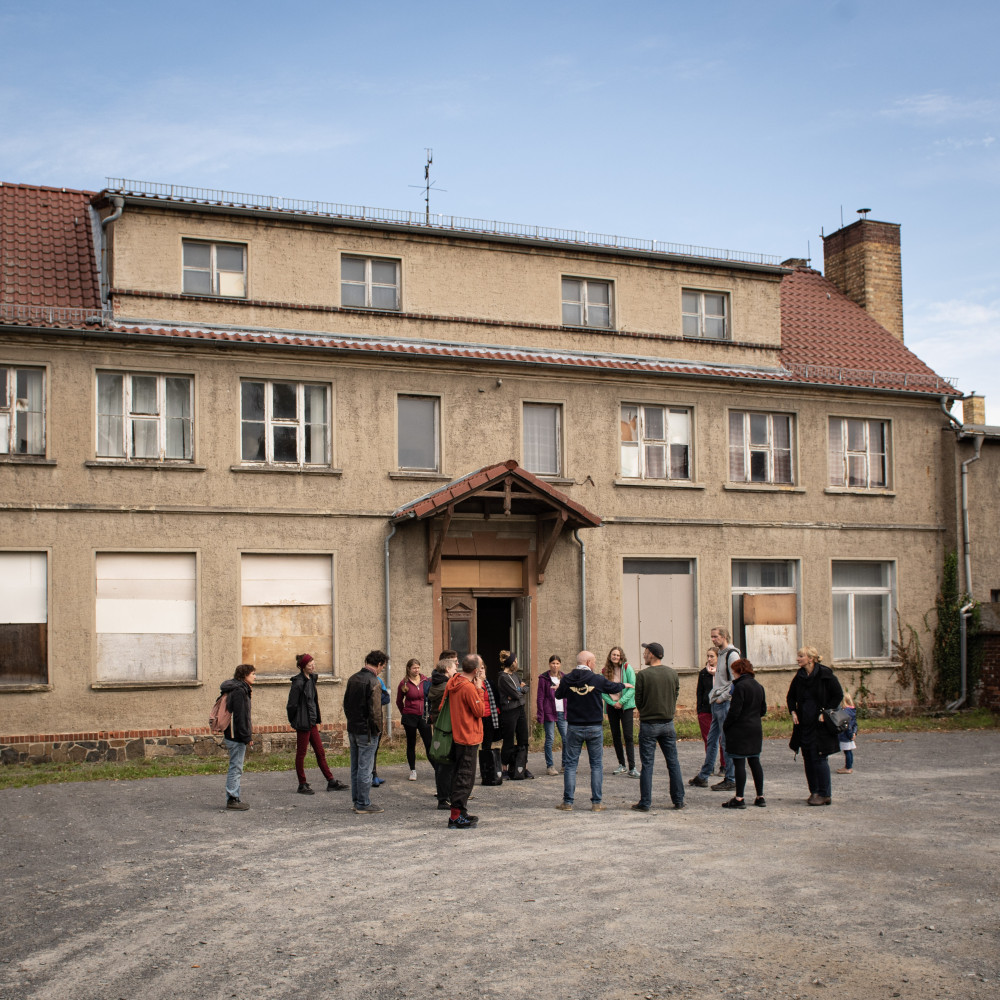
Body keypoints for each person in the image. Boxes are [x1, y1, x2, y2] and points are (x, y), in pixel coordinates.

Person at [554, 650, 626, 812]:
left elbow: (558, 695)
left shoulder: (567, 679)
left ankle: (568, 802)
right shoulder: (597, 679)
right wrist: (624, 685)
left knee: (571, 765)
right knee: (596, 765)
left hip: (574, 727)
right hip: (594, 727)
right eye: (593, 661)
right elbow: (612, 687)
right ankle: (596, 803)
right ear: (588, 663)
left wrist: (563, 687)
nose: (595, 664)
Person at [787, 646, 844, 806]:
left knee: (819, 757)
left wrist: (826, 712)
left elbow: (838, 695)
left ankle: (825, 793)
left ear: (810, 658)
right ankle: (814, 791)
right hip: (804, 724)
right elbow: (790, 696)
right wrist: (793, 711)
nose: (797, 659)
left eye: (801, 656)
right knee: (807, 758)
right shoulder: (799, 677)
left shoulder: (825, 675)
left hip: (820, 724)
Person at [631, 641, 684, 812]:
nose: (644, 655)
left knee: (647, 764)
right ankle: (679, 800)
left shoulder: (643, 675)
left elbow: (638, 699)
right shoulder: (672, 673)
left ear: (652, 654)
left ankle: (645, 802)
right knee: (673, 763)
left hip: (649, 724)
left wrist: (645, 710)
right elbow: (675, 693)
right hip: (668, 723)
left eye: (646, 652)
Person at [286, 652, 346, 794]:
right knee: (301, 754)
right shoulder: (298, 683)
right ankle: (302, 784)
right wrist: (295, 721)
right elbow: (291, 706)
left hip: (311, 722)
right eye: (309, 664)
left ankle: (331, 781)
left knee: (320, 752)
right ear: (302, 667)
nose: (313, 665)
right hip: (303, 723)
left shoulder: (312, 679)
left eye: (313, 663)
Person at [690, 627, 739, 791]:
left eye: (715, 637)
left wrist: (722, 698)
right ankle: (704, 776)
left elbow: (736, 681)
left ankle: (731, 778)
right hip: (716, 705)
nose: (713, 640)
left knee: (726, 741)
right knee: (712, 740)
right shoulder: (722, 654)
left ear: (724, 636)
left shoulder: (732, 655)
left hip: (724, 705)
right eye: (711, 637)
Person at [444, 653, 487, 829]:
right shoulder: (468, 688)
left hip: (458, 734)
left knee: (460, 774)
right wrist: (479, 688)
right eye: (482, 667)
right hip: (468, 735)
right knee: (465, 777)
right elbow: (479, 711)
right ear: (476, 671)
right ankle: (456, 816)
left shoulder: (453, 682)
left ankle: (460, 812)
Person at [342, 650, 386, 814]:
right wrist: (377, 730)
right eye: (383, 666)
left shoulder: (353, 678)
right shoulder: (373, 681)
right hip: (367, 731)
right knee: (365, 768)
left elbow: (346, 704)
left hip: (353, 728)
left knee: (355, 767)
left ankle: (357, 800)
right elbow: (375, 711)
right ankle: (363, 803)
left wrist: (352, 721)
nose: (382, 669)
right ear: (379, 664)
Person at [720, 658, 767, 809]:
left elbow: (735, 711)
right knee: (755, 761)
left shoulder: (740, 687)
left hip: (740, 729)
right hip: (755, 728)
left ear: (739, 671)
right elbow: (763, 710)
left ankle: (739, 798)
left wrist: (726, 726)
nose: (732, 674)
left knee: (739, 762)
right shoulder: (759, 686)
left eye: (734, 671)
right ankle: (760, 796)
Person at [220, 663, 255, 810]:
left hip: (233, 734)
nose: (255, 676)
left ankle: (234, 797)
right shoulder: (240, 691)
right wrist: (247, 737)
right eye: (252, 673)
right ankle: (233, 799)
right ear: (245, 675)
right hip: (236, 736)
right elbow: (240, 717)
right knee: (236, 767)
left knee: (236, 766)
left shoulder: (237, 688)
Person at [427, 655, 458, 809]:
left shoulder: (436, 684)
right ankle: (444, 797)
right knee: (446, 764)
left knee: (442, 763)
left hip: (440, 727)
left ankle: (445, 796)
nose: (456, 671)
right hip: (446, 728)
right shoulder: (446, 686)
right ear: (447, 670)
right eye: (454, 668)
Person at [496, 649, 533, 779]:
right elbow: (516, 694)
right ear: (511, 662)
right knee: (509, 740)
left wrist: (520, 690)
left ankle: (523, 767)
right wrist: (520, 690)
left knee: (523, 738)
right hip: (509, 711)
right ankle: (504, 768)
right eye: (516, 660)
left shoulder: (515, 675)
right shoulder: (503, 677)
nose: (517, 662)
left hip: (520, 709)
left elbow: (525, 688)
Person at [603, 646, 638, 778]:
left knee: (628, 736)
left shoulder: (627, 668)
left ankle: (632, 767)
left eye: (617, 655)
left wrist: (621, 702)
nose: (615, 657)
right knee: (616, 735)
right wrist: (612, 703)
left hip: (626, 706)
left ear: (621, 656)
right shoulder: (605, 671)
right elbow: (602, 690)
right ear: (610, 656)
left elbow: (632, 687)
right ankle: (621, 764)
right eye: (613, 655)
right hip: (612, 707)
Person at [396, 657, 432, 780]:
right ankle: (413, 770)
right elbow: (398, 701)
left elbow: (430, 697)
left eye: (418, 667)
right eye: (414, 668)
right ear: (409, 669)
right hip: (409, 717)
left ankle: (436, 767)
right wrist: (404, 712)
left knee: (429, 743)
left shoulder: (426, 681)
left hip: (423, 716)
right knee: (411, 743)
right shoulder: (404, 683)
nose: (416, 670)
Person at [696, 647, 725, 775]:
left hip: (721, 708)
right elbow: (700, 692)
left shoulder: (723, 673)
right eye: (708, 656)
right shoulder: (703, 673)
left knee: (723, 739)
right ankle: (710, 765)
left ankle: (724, 766)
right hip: (706, 710)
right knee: (709, 739)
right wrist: (700, 710)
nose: (709, 659)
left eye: (712, 656)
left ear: (718, 658)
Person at [537, 654, 567, 775]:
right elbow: (540, 697)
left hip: (562, 712)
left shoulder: (564, 677)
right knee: (550, 739)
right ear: (549, 664)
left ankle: (565, 765)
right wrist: (541, 713)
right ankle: (550, 766)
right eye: (553, 663)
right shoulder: (544, 678)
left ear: (560, 665)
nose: (555, 665)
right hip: (549, 712)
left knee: (566, 739)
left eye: (557, 663)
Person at [837, 690, 858, 774]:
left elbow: (847, 725)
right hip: (849, 734)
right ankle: (848, 766)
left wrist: (849, 735)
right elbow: (854, 724)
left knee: (847, 751)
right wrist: (854, 733)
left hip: (845, 735)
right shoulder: (852, 710)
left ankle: (848, 767)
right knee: (848, 751)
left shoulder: (845, 712)